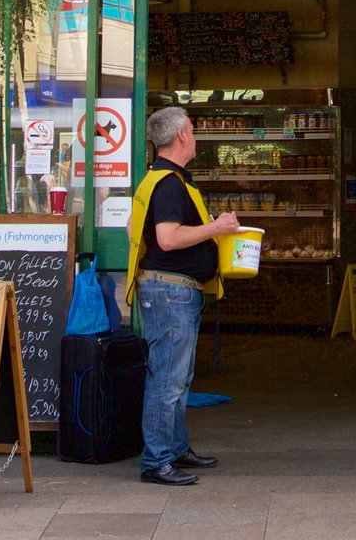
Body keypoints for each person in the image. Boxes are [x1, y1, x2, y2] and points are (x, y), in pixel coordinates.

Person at [122, 104, 241, 486]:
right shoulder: (171, 184)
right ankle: (157, 460)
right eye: (192, 128)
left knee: (178, 375)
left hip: (168, 290)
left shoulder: (155, 179)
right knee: (168, 380)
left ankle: (174, 448)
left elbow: (132, 229)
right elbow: (167, 238)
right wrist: (216, 227)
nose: (195, 134)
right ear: (181, 136)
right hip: (171, 293)